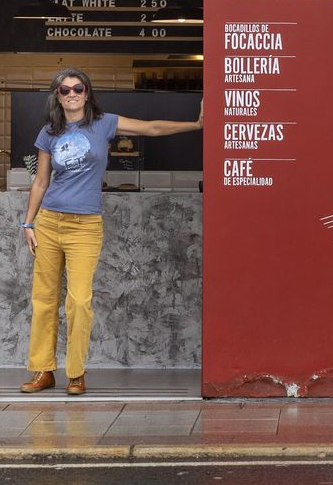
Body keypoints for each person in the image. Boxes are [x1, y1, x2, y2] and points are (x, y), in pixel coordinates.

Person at [20, 68, 202, 396]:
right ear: (57, 95)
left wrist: (196, 125)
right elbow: (40, 181)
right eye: (65, 89)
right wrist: (28, 223)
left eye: (78, 88)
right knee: (44, 300)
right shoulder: (49, 132)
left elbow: (152, 128)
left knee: (78, 301)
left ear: (87, 93)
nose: (72, 93)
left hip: (85, 226)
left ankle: (76, 373)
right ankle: (42, 370)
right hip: (49, 222)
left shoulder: (103, 123)